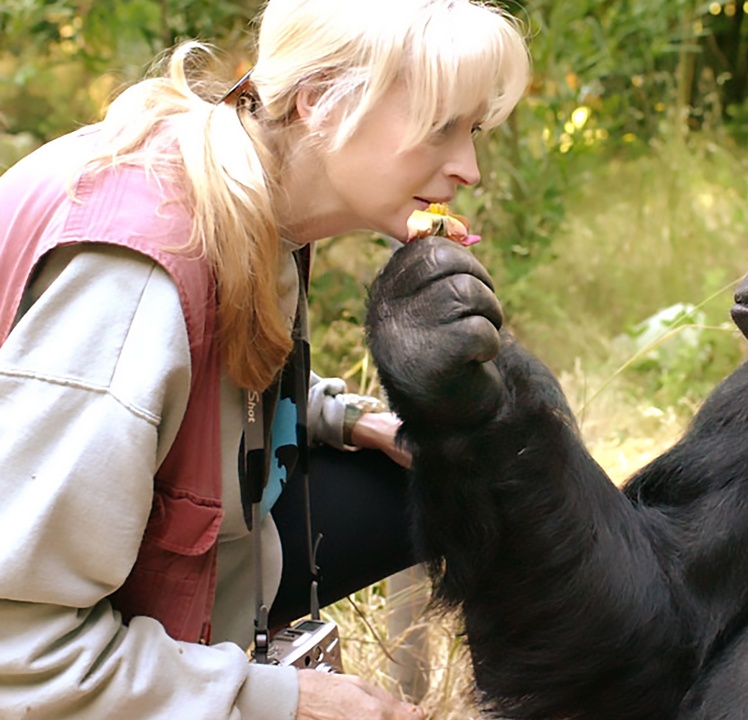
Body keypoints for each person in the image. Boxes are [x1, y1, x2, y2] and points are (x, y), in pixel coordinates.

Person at [0, 0, 529, 716]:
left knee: (448, 477)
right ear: (319, 102)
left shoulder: (248, 187)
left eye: (472, 130)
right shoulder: (134, 284)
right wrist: (282, 700)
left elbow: (192, 388)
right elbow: (18, 651)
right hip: (35, 643)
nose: (468, 168)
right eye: (442, 128)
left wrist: (337, 417)